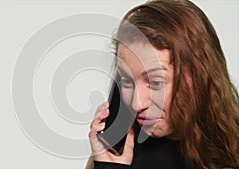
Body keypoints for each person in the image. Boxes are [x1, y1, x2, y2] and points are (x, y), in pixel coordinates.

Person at [87, 0, 239, 169]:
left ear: (198, 78)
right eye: (127, 81)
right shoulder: (118, 152)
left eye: (156, 83)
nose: (137, 104)